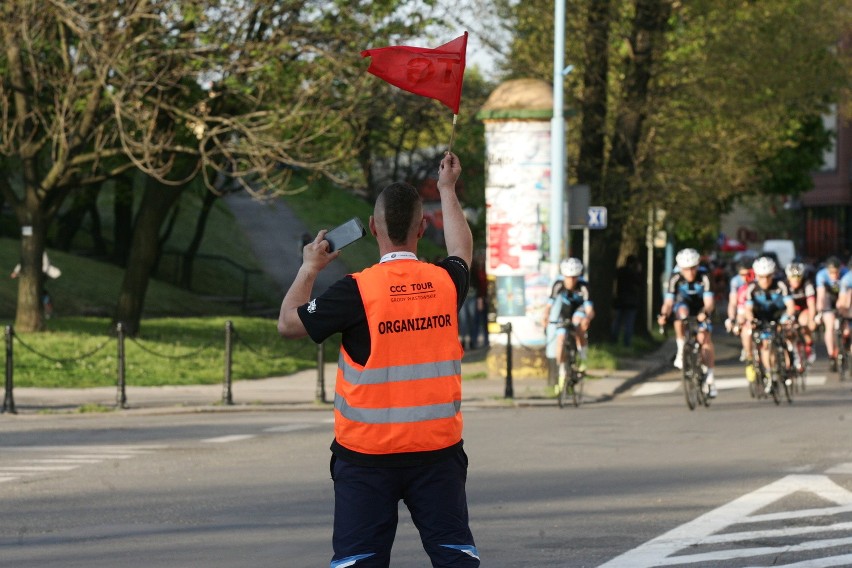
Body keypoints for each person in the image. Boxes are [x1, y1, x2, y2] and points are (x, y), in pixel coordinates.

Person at [277, 152, 479, 568]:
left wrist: (309, 268)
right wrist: (446, 189)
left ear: (372, 229)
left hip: (366, 458)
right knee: (455, 558)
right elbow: (462, 247)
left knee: (359, 561)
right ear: (423, 227)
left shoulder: (357, 290)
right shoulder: (445, 282)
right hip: (437, 451)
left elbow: (288, 324)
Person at [657, 248, 717, 398]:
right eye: (686, 269)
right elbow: (669, 302)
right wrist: (664, 314)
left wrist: (705, 313)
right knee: (680, 314)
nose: (690, 272)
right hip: (684, 303)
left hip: (701, 305)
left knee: (704, 338)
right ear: (680, 268)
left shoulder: (705, 275)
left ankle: (710, 376)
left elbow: (709, 302)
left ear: (697, 266)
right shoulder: (675, 276)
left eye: (693, 268)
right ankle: (681, 349)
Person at [543, 257, 595, 393]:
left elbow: (590, 310)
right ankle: (561, 374)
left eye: (574, 278)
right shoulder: (558, 284)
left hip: (580, 309)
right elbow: (549, 304)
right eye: (568, 277)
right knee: (560, 341)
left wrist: (587, 319)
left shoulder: (584, 286)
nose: (571, 281)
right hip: (565, 311)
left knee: (578, 323)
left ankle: (583, 359)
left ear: (578, 276)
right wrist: (545, 316)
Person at [744, 256, 796, 379]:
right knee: (765, 343)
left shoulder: (781, 284)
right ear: (757, 276)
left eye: (768, 276)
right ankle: (768, 370)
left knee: (787, 334)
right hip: (762, 317)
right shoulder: (752, 288)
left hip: (779, 314)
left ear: (773, 274)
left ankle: (790, 362)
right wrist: (751, 319)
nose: (765, 280)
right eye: (761, 277)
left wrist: (787, 318)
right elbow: (748, 309)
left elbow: (790, 305)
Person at [814, 256, 847, 370]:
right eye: (831, 273)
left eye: (836, 272)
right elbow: (821, 296)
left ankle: (844, 346)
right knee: (830, 324)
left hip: (843, 298)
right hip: (828, 299)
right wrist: (819, 311)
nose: (834, 275)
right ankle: (831, 354)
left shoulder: (845, 273)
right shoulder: (821, 275)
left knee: (845, 323)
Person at [10, 251, 61, 318]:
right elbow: (22, 263)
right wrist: (16, 272)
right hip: (33, 273)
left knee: (39, 291)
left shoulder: (41, 252)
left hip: (42, 273)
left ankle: (47, 310)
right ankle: (40, 310)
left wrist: (41, 273)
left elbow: (46, 264)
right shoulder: (28, 252)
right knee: (36, 291)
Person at [785, 262, 817, 365]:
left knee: (804, 323)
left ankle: (809, 345)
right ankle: (793, 350)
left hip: (804, 308)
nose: (796, 280)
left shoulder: (807, 284)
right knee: (788, 330)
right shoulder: (784, 285)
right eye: (793, 277)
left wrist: (812, 320)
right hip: (790, 310)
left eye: (798, 277)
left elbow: (811, 304)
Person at [725, 259, 754, 362]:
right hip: (742, 308)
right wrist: (731, 318)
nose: (745, 277)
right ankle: (748, 352)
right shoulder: (736, 281)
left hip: (754, 308)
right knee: (741, 322)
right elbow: (733, 302)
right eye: (742, 275)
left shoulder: (757, 280)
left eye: (748, 274)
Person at [611, 254, 641, 347]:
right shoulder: (634, 273)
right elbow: (639, 284)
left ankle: (613, 340)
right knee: (629, 324)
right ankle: (627, 343)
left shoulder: (620, 271)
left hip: (620, 300)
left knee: (617, 322)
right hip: (631, 301)